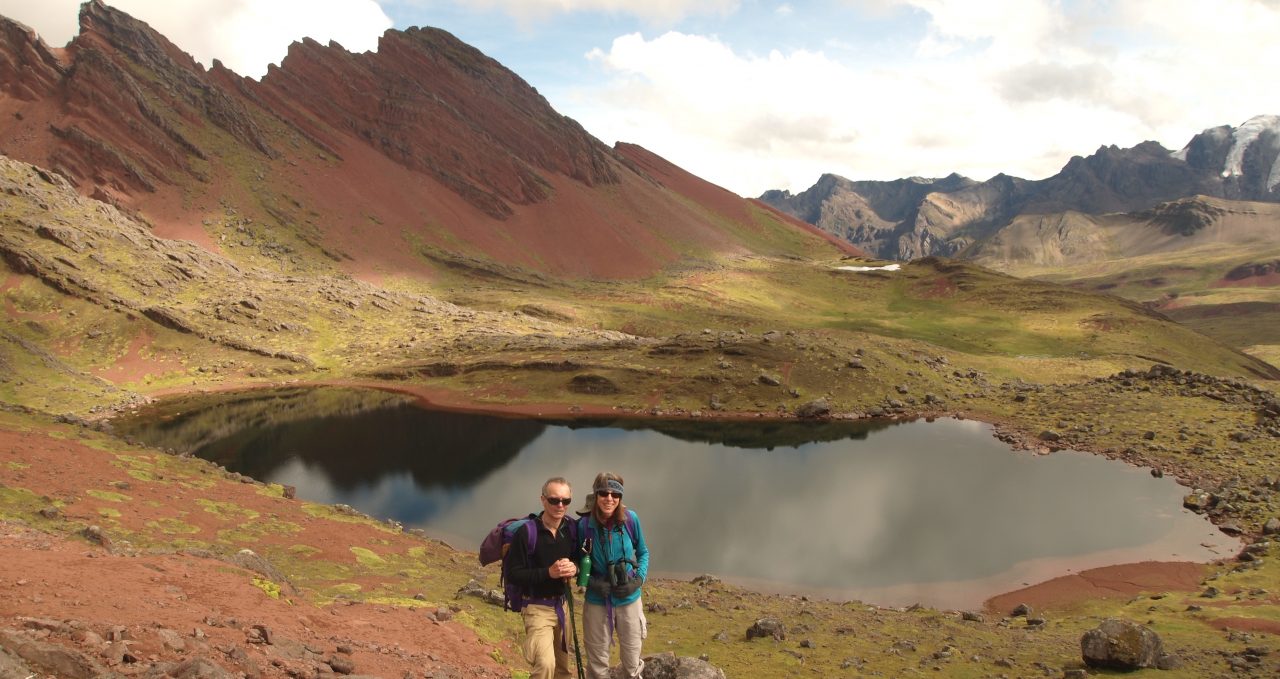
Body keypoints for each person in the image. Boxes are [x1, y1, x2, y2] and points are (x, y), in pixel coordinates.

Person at [578, 472, 649, 679]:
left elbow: (643, 552)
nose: (609, 498)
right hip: (597, 601)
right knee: (597, 665)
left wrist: (637, 580)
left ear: (620, 497)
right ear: (596, 494)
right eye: (604, 493)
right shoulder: (584, 525)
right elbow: (575, 562)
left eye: (615, 494)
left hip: (629, 599)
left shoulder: (630, 520)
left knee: (631, 663)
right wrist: (591, 583)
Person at [508, 477, 580, 679]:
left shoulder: (572, 529)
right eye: (554, 500)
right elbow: (513, 574)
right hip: (536, 607)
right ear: (542, 500)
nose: (560, 505)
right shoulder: (527, 533)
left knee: (563, 670)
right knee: (546, 665)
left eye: (565, 501)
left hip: (563, 607)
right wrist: (548, 573)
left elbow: (581, 560)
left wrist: (575, 568)